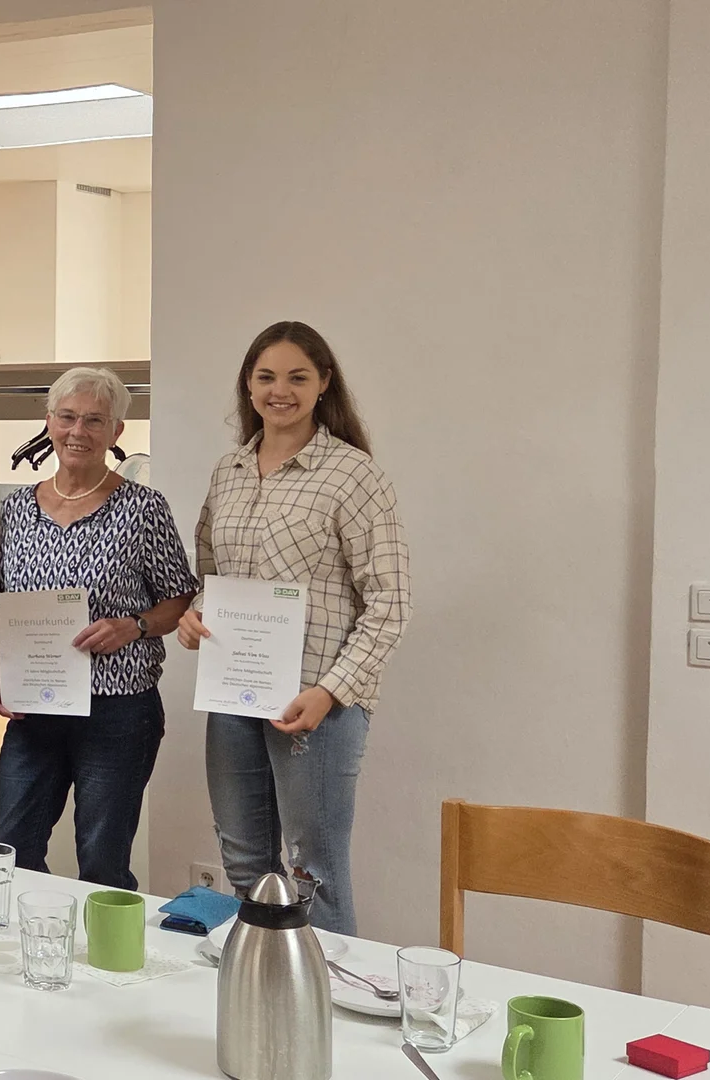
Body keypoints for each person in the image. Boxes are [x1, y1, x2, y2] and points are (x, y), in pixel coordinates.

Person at [177, 320, 411, 935]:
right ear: (248, 386)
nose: (280, 390)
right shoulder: (228, 471)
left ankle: (329, 1004)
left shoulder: (353, 475)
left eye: (297, 377)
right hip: (234, 694)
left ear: (324, 383)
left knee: (315, 872)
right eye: (266, 377)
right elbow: (210, 570)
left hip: (315, 702)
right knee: (244, 861)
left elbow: (390, 602)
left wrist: (329, 692)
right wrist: (195, 617)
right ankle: (261, 986)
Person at [0, 367, 198, 889]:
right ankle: (25, 959)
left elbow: (179, 599)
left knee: (102, 859)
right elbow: (11, 602)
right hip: (38, 705)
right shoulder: (17, 508)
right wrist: (4, 672)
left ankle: (104, 967)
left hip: (117, 709)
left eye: (95, 420)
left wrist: (136, 624)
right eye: (68, 417)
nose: (78, 431)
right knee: (6, 850)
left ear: (117, 432)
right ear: (49, 422)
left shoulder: (143, 508)